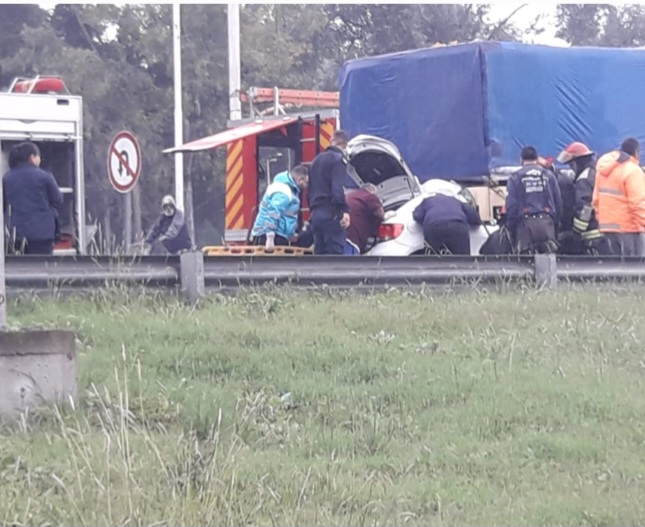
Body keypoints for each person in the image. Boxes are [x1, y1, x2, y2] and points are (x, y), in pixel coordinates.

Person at [3, 141, 63, 255]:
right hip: (42, 234)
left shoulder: (7, 178)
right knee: (41, 267)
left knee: (17, 268)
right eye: (38, 156)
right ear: (32, 157)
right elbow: (57, 200)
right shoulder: (45, 176)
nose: (40, 159)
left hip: (15, 233)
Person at [593, 138, 645, 257]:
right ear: (636, 152)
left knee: (615, 270)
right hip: (629, 229)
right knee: (635, 270)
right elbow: (638, 204)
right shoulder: (632, 171)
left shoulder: (602, 171)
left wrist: (602, 220)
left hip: (607, 228)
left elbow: (596, 200)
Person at [505, 146, 562, 254]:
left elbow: (511, 206)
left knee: (526, 265)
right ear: (537, 159)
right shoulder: (549, 176)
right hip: (547, 223)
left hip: (525, 226)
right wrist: (555, 224)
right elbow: (558, 202)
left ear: (521, 160)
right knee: (549, 265)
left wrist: (511, 228)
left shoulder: (515, 177)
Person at [308, 130, 351, 255]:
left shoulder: (315, 161)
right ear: (344, 145)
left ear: (332, 141)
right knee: (334, 256)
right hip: (331, 214)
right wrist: (343, 210)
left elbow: (309, 190)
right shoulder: (338, 160)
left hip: (316, 214)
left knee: (319, 255)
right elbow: (337, 189)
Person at [556, 142, 603, 254]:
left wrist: (576, 231)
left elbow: (584, 206)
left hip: (591, 232)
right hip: (602, 228)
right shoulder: (596, 172)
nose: (572, 168)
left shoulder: (584, 179)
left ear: (579, 162)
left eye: (572, 165)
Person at [250, 164, 309, 252]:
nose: (307, 186)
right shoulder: (284, 191)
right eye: (306, 182)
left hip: (272, 234)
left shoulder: (287, 189)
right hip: (270, 236)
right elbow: (273, 213)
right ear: (299, 180)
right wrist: (270, 238)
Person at [412, 192, 481, 255]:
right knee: (462, 260)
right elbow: (473, 216)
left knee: (435, 259)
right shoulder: (455, 201)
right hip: (457, 226)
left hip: (434, 227)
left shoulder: (427, 201)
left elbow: (417, 215)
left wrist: (426, 221)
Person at [345, 183, 385, 254]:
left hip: (338, 235)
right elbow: (380, 214)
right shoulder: (369, 196)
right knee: (350, 263)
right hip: (352, 237)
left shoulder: (350, 195)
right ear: (371, 191)